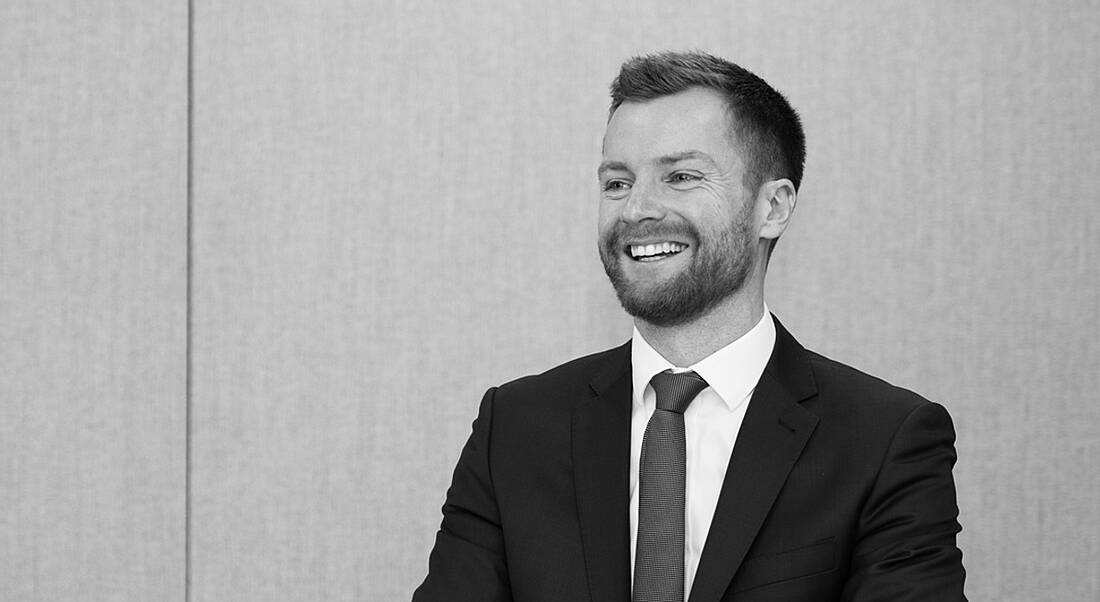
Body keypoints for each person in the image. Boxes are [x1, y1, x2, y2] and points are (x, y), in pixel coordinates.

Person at [413, 51, 966, 602]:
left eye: (680, 176)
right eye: (617, 183)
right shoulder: (514, 429)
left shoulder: (884, 442)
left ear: (772, 207)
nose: (637, 210)